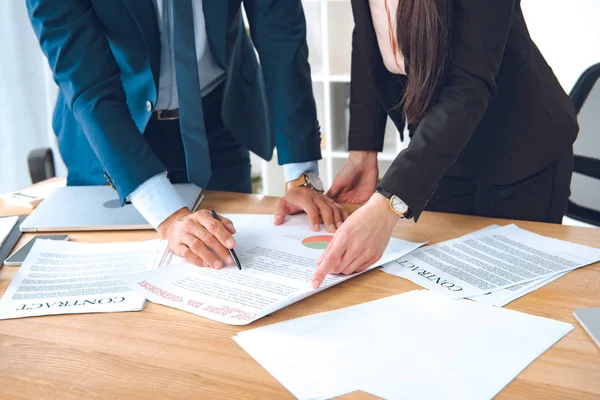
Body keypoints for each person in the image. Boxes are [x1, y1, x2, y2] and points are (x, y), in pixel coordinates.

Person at [27, 0, 347, 270]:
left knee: (230, 264)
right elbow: (87, 82)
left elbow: (281, 33)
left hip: (216, 123)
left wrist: (301, 175)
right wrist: (167, 215)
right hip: (112, 140)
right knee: (120, 284)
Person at [312, 0, 579, 288]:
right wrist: (362, 152)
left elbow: (467, 85)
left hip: (521, 147)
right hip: (440, 149)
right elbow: (368, 33)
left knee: (516, 296)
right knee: (434, 288)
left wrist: (389, 203)